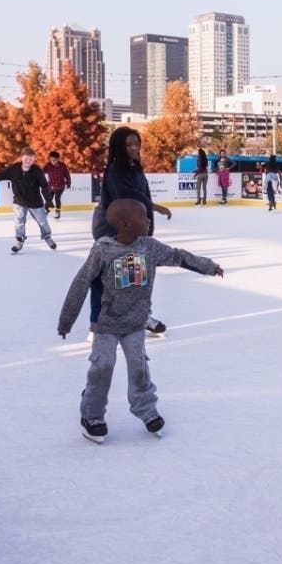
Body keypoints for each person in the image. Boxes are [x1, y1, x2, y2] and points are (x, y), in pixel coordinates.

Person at [58, 199, 223, 444]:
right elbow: (81, 282)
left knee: (139, 367)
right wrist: (66, 320)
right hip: (106, 322)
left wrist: (208, 266)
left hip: (135, 321)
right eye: (143, 217)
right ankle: (91, 414)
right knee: (103, 366)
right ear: (125, 224)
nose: (148, 221)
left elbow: (178, 257)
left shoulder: (149, 247)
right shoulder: (103, 250)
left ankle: (146, 410)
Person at [93, 127, 173, 337]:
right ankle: (98, 323)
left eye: (136, 144)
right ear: (119, 147)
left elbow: (142, 194)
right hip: (113, 229)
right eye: (128, 145)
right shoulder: (115, 171)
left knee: (135, 278)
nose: (133, 148)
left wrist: (148, 226)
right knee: (111, 280)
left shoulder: (134, 168)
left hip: (132, 229)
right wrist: (154, 207)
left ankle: (141, 316)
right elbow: (126, 198)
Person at [0, 147, 55, 253]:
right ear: (22, 158)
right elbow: (0, 176)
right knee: (19, 222)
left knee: (43, 222)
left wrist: (48, 200)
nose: (28, 161)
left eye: (31, 159)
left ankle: (47, 237)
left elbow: (44, 186)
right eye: (26, 158)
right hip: (19, 201)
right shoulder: (14, 169)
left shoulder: (37, 171)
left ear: (33, 159)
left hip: (35, 202)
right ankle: (19, 241)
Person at [42, 151, 72, 220]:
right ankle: (46, 210)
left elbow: (67, 174)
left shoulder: (62, 165)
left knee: (57, 198)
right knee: (48, 199)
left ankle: (57, 211)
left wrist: (68, 183)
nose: (53, 162)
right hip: (51, 185)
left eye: (54, 160)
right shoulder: (48, 165)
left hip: (60, 185)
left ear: (58, 159)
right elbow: (41, 171)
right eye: (51, 160)